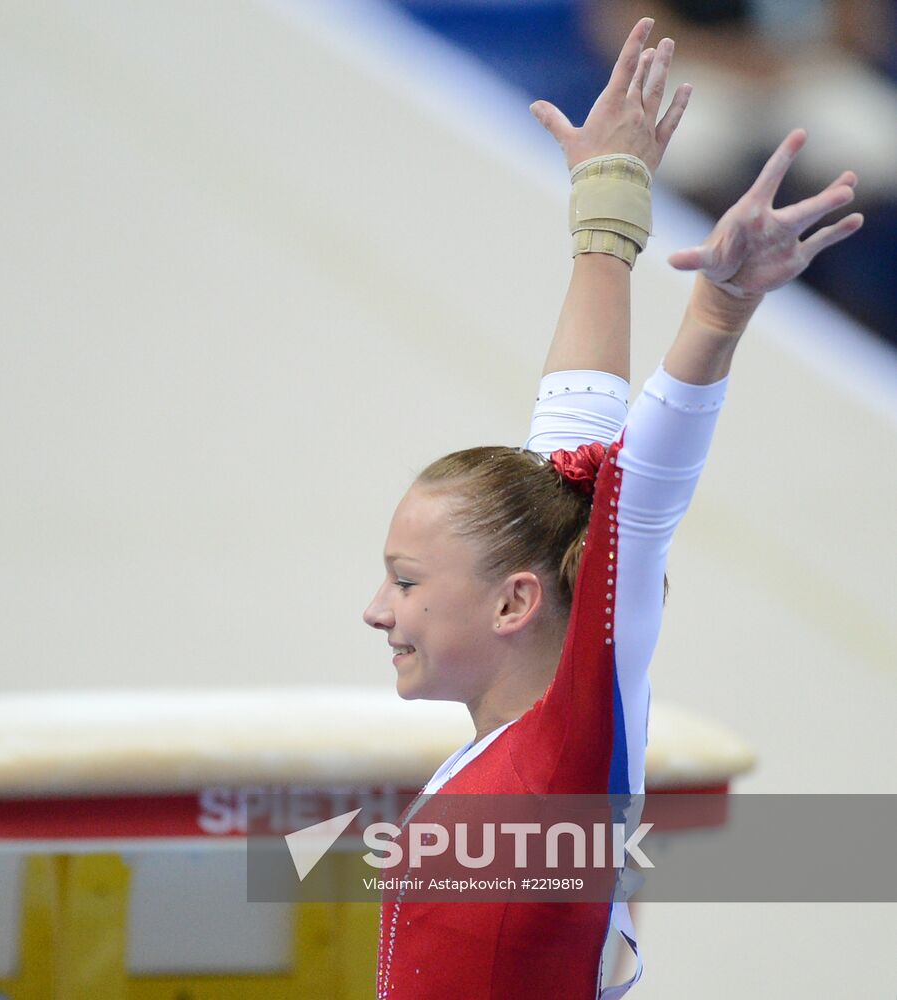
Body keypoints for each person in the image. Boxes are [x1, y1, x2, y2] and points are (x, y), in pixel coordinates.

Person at [361, 17, 862, 1000]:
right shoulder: (533, 732)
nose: (378, 609)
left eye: (407, 581)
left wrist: (718, 315)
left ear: (515, 603)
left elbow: (636, 500)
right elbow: (571, 450)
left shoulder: (567, 742)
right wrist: (607, 211)